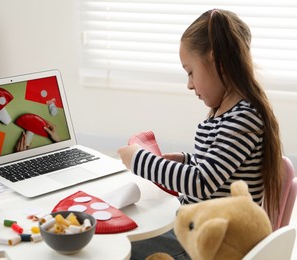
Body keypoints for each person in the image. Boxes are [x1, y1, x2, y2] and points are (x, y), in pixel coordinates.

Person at [117, 9, 283, 260]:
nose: (189, 84)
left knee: (121, 244)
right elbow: (215, 168)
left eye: (190, 71)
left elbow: (203, 183)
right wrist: (185, 160)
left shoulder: (244, 118)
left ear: (218, 62)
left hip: (211, 244)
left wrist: (140, 161)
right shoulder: (225, 113)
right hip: (200, 230)